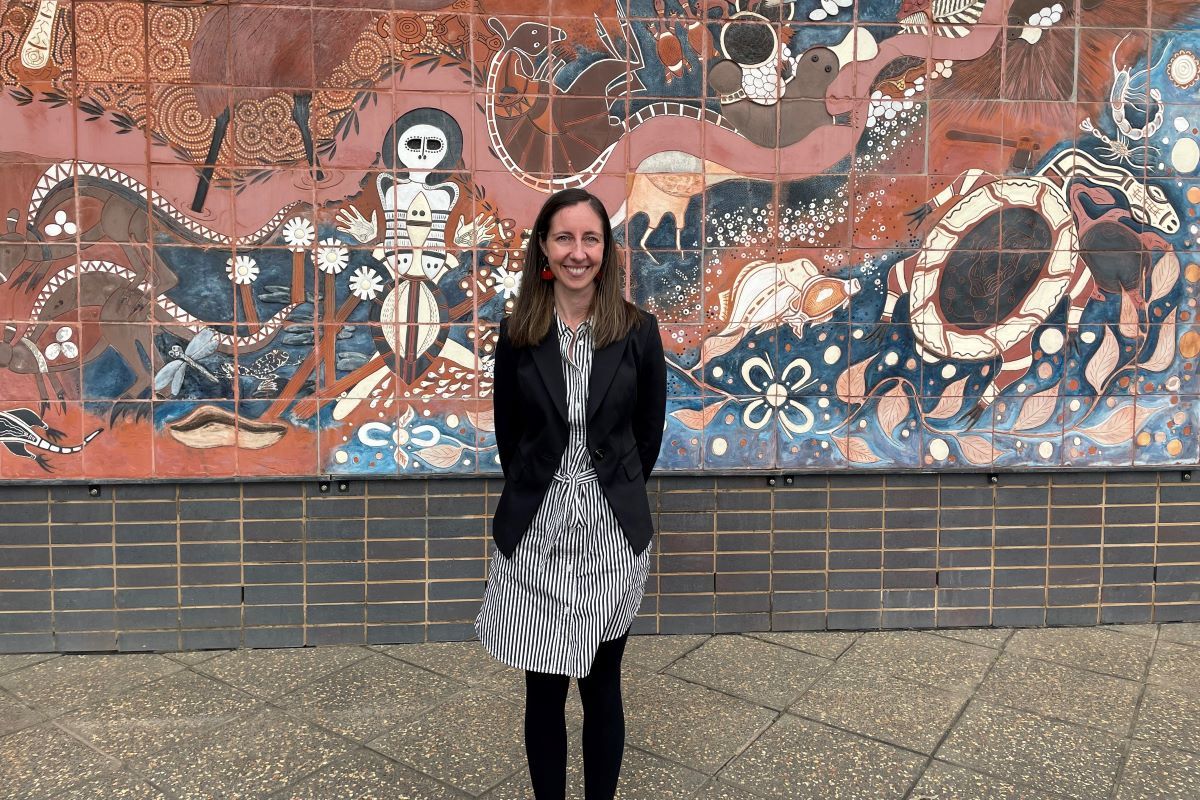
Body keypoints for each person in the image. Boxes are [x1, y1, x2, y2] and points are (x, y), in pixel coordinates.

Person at [476, 188, 667, 800]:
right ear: (543, 248)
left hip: (610, 528)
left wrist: (611, 489)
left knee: (602, 683)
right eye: (564, 238)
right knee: (544, 688)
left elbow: (647, 435)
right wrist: (542, 491)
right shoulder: (518, 335)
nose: (577, 252)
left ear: (607, 252)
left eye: (590, 239)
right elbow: (513, 440)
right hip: (539, 529)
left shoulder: (638, 333)